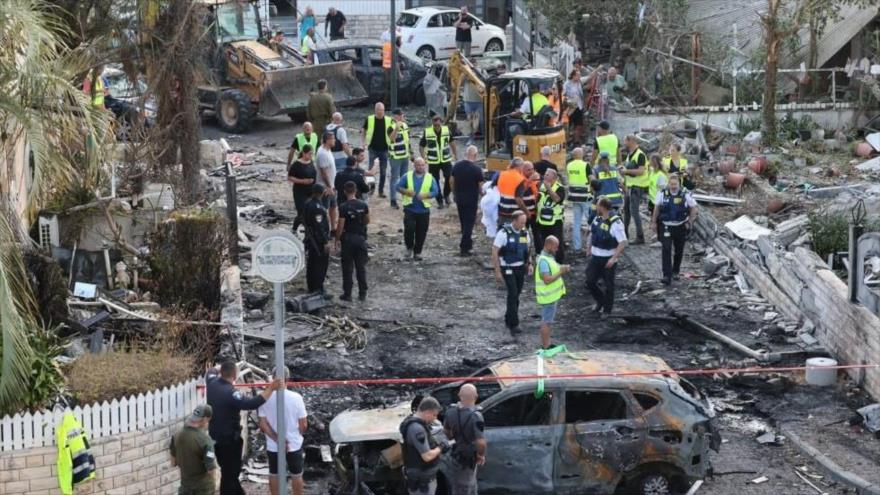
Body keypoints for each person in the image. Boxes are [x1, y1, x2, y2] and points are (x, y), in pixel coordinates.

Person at [206, 361, 281, 495]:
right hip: (229, 441)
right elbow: (252, 403)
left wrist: (221, 367)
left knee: (228, 472)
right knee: (230, 475)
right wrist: (271, 388)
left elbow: (211, 371)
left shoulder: (211, 384)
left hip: (216, 439)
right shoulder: (231, 393)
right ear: (234, 375)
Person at [258, 366, 308, 495]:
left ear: (273, 378)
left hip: (273, 445)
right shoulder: (296, 398)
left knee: (274, 473)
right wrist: (299, 434)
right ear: (288, 379)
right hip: (294, 443)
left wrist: (278, 440)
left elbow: (263, 425)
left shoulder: (265, 398)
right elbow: (304, 424)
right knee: (296, 474)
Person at [651, 174, 698, 285]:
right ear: (668, 184)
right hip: (666, 225)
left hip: (680, 226)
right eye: (671, 184)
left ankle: (675, 271)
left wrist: (690, 222)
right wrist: (653, 222)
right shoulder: (662, 193)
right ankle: (666, 275)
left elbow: (694, 208)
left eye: (675, 184)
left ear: (679, 184)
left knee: (679, 250)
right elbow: (656, 208)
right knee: (666, 248)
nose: (673, 186)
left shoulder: (685, 194)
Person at [585, 197, 628, 317]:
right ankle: (600, 300)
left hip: (608, 258)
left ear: (603, 207)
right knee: (590, 281)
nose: (595, 207)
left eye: (597, 205)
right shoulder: (597, 218)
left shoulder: (615, 223)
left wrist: (614, 258)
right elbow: (592, 233)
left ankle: (607, 310)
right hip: (596, 256)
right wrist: (588, 247)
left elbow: (623, 242)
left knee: (609, 285)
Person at [492, 210, 532, 336]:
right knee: (513, 293)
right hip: (507, 267)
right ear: (514, 221)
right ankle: (514, 324)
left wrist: (530, 264)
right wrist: (497, 271)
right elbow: (494, 252)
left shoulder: (525, 233)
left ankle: (509, 317)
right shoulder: (503, 233)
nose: (523, 225)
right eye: (521, 222)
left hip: (520, 267)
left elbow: (528, 250)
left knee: (516, 294)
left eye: (524, 222)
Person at [442, 384, 487, 495]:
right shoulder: (476, 416)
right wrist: (481, 455)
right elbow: (480, 442)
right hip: (469, 458)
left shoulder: (450, 411)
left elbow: (447, 432)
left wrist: (455, 438)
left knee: (466, 486)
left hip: (457, 455)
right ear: (476, 396)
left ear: (459, 395)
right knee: (465, 488)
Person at [400, 397, 449, 495]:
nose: (435, 418)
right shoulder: (417, 429)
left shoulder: (411, 421)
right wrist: (441, 447)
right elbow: (427, 456)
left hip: (420, 477)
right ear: (427, 412)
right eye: (434, 415)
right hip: (422, 481)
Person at [398, 158, 439, 261]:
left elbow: (435, 191)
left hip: (423, 210)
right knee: (409, 229)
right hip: (410, 208)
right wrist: (406, 192)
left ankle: (418, 252)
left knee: (421, 232)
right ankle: (409, 247)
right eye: (418, 165)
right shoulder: (407, 176)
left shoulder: (430, 178)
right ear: (414, 166)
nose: (420, 167)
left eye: (422, 165)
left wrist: (426, 195)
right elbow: (398, 186)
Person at [170, 405, 216, 495]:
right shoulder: (205, 441)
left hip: (185, 487)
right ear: (205, 419)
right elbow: (211, 470)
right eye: (208, 421)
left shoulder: (176, 436)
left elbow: (173, 463)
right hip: (203, 488)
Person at [336, 181, 370, 301]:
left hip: (348, 239)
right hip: (360, 238)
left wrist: (337, 238)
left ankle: (348, 294)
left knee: (347, 268)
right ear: (355, 191)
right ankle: (362, 293)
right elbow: (367, 220)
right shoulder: (363, 205)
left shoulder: (343, 207)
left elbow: (340, 225)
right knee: (361, 267)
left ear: (345, 192)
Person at [536, 235, 570, 349]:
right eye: (555, 247)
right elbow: (547, 280)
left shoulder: (548, 257)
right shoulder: (544, 261)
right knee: (546, 322)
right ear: (549, 245)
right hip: (548, 297)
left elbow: (553, 268)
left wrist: (561, 267)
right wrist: (561, 271)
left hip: (551, 297)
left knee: (548, 321)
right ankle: (545, 346)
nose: (557, 249)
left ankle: (547, 344)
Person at [450, 145, 484, 256]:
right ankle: (464, 247)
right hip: (471, 200)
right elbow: (481, 186)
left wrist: (454, 193)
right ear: (475, 155)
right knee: (469, 224)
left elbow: (451, 181)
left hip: (459, 198)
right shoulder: (476, 169)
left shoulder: (457, 166)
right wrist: (483, 197)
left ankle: (468, 245)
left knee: (463, 222)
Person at [420, 115, 457, 209]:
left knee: (450, 177)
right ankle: (439, 201)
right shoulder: (427, 132)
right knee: (434, 181)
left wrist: (455, 154)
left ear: (441, 122)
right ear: (432, 123)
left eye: (438, 123)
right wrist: (423, 158)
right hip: (433, 161)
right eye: (435, 123)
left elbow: (452, 142)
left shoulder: (446, 130)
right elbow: (421, 146)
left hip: (446, 159)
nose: (437, 125)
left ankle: (446, 195)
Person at [620, 135, 649, 244]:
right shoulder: (629, 154)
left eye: (625, 141)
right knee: (626, 211)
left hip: (637, 187)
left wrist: (626, 171)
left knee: (634, 211)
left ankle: (640, 236)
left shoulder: (640, 155)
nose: (624, 143)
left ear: (631, 141)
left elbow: (641, 171)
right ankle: (624, 235)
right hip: (630, 186)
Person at [303, 184, 332, 293]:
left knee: (312, 263)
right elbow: (319, 226)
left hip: (311, 238)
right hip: (318, 240)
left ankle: (312, 286)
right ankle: (317, 287)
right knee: (320, 264)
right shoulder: (317, 208)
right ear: (322, 192)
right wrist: (325, 241)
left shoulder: (309, 203)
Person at [536, 169, 566, 262]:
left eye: (547, 175)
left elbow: (557, 199)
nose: (545, 176)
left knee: (557, 242)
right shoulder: (541, 186)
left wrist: (549, 188)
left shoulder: (560, 188)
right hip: (542, 220)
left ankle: (559, 262)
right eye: (545, 174)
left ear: (554, 177)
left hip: (555, 221)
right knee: (544, 241)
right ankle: (546, 260)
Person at [362, 103, 392, 198]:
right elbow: (363, 130)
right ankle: (372, 188)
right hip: (373, 148)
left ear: (384, 110)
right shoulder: (369, 119)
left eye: (382, 110)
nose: (380, 112)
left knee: (383, 171)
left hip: (384, 149)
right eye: (378, 110)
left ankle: (381, 191)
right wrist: (363, 142)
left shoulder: (389, 120)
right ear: (375, 110)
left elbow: (393, 132)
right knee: (370, 170)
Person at [565, 147, 592, 253]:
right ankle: (591, 246)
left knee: (577, 222)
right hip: (585, 196)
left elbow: (569, 179)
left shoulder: (569, 165)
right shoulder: (586, 165)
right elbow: (591, 179)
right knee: (591, 221)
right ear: (581, 155)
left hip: (574, 196)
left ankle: (577, 247)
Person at [288, 144, 317, 232]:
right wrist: (302, 181)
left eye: (312, 154)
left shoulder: (311, 162)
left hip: (311, 190)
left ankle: (308, 228)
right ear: (304, 153)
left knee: (310, 210)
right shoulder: (297, 164)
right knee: (301, 211)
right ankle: (294, 228)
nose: (310, 156)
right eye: (309, 154)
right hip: (300, 191)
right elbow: (290, 177)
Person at [387, 108, 412, 209]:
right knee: (394, 179)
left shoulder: (405, 126)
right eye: (400, 115)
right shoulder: (390, 126)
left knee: (404, 179)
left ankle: (405, 200)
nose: (402, 117)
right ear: (395, 116)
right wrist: (396, 128)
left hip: (405, 156)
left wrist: (411, 154)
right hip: (395, 157)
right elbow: (392, 138)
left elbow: (407, 141)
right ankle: (393, 201)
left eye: (402, 115)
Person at [315, 132, 339, 230]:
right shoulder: (322, 153)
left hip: (331, 185)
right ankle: (324, 229)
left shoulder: (327, 150)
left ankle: (333, 227)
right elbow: (324, 173)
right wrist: (329, 187)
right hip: (325, 187)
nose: (335, 140)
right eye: (333, 139)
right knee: (324, 209)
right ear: (327, 140)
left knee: (333, 206)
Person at [495, 158, 528, 225]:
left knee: (502, 231)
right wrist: (526, 212)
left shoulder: (502, 174)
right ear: (519, 166)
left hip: (501, 210)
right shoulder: (520, 179)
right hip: (513, 213)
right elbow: (518, 199)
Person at [521, 161, 541, 251]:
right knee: (523, 233)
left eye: (532, 169)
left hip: (534, 213)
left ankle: (538, 252)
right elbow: (521, 191)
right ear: (523, 170)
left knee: (537, 233)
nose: (531, 171)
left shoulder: (536, 179)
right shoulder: (520, 179)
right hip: (524, 213)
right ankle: (523, 251)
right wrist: (530, 180)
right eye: (529, 170)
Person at [563, 68, 585, 145]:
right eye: (578, 75)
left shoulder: (579, 83)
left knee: (578, 125)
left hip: (579, 106)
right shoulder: (567, 84)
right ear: (573, 76)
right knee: (569, 125)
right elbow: (563, 95)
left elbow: (588, 78)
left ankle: (576, 141)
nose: (579, 77)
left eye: (580, 75)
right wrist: (569, 99)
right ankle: (568, 141)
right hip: (571, 107)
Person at [463, 68, 483, 137]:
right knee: (470, 121)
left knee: (481, 120)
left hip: (479, 101)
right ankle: (471, 138)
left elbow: (485, 80)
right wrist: (466, 77)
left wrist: (477, 75)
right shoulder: (465, 73)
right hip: (468, 101)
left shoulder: (481, 72)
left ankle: (484, 137)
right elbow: (460, 81)